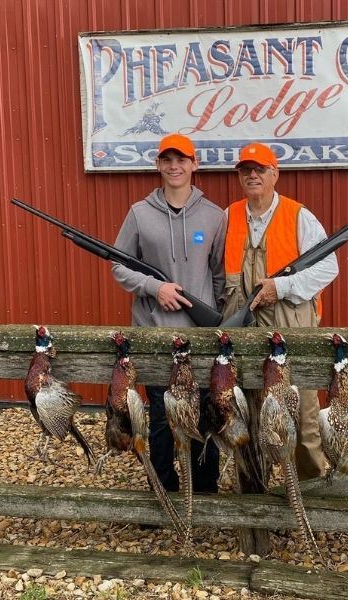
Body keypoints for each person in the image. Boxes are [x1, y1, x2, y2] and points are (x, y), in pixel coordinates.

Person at [112, 133, 225, 493]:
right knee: (161, 417)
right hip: (155, 332)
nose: (175, 166)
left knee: (204, 415)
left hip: (199, 336)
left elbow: (220, 275)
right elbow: (119, 265)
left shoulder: (214, 216)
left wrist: (217, 318)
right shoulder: (139, 213)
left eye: (182, 160)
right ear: (158, 165)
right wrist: (153, 287)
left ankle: (205, 491)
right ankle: (163, 488)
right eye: (167, 160)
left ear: (195, 164)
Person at [223, 142, 339, 480]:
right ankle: (253, 491)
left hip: (292, 329)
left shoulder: (299, 216)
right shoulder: (228, 216)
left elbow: (328, 267)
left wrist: (282, 287)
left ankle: (311, 491)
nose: (253, 175)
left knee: (302, 416)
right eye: (246, 170)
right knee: (247, 413)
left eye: (260, 169)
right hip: (244, 329)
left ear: (275, 174)